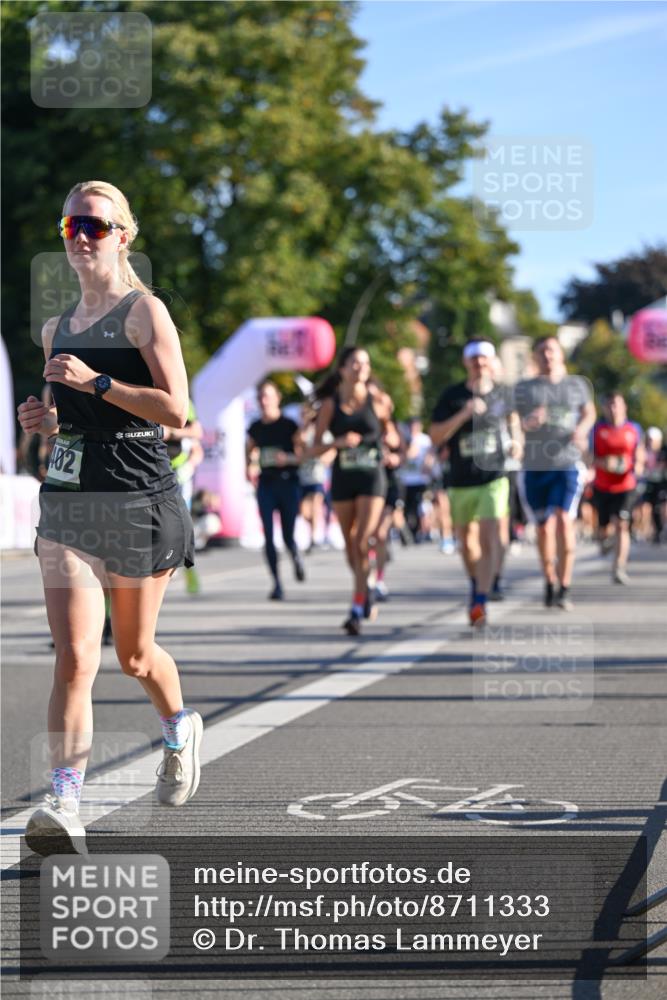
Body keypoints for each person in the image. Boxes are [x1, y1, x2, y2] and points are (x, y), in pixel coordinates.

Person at [17, 181, 203, 855]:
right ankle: (64, 800)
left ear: (123, 235)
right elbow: (67, 417)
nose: (80, 237)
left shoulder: (144, 312)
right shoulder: (55, 328)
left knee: (134, 656)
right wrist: (45, 419)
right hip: (71, 501)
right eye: (70, 225)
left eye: (93, 225)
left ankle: (179, 728)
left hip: (138, 496)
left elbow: (177, 411)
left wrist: (97, 382)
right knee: (74, 658)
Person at [430, 339, 520, 627]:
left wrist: (517, 443)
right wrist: (463, 414)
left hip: (494, 477)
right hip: (460, 479)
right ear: (466, 363)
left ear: (491, 362)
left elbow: (514, 424)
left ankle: (481, 599)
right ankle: (475, 583)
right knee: (467, 545)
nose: (480, 364)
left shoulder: (503, 394)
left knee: (488, 538)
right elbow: (435, 435)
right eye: (475, 359)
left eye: (484, 358)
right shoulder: (452, 396)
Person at [310, 347, 392, 635]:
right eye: (355, 363)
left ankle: (356, 608)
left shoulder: (378, 400)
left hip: (372, 478)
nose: (361, 367)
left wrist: (392, 446)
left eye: (365, 363)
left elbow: (391, 433)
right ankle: (366, 587)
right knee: (350, 546)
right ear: (343, 369)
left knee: (361, 539)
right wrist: (338, 442)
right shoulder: (330, 405)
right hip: (344, 478)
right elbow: (315, 447)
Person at [515, 335, 596, 610]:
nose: (547, 355)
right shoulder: (525, 388)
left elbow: (589, 413)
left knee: (563, 520)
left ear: (561, 353)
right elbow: (512, 421)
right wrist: (526, 424)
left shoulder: (576, 385)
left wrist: (581, 430)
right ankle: (549, 579)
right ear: (535, 357)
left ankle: (565, 586)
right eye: (541, 351)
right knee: (543, 528)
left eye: (551, 350)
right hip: (536, 464)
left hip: (567, 462)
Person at [246, 380, 305, 600]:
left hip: (288, 482)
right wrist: (250, 465)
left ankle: (295, 554)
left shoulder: (289, 425)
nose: (264, 401)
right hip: (267, 483)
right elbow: (249, 450)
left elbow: (302, 455)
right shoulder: (256, 427)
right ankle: (277, 583)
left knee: (288, 535)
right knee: (268, 536)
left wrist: (287, 458)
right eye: (261, 397)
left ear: (277, 399)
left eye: (268, 396)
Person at [591, 392, 644, 584]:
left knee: (622, 524)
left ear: (624, 407)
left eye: (617, 405)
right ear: (605, 408)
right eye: (610, 405)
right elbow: (587, 455)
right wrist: (603, 463)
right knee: (603, 531)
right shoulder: (596, 429)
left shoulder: (633, 428)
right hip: (602, 485)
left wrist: (637, 465)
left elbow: (639, 453)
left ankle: (619, 568)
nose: (613, 409)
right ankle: (605, 541)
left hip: (626, 484)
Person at [164, 398, 204, 594]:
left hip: (177, 470)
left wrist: (170, 433)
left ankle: (188, 568)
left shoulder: (181, 397)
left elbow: (196, 432)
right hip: (151, 469)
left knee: (180, 523)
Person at [399, 417, 434, 542]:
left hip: (421, 479)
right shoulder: (405, 437)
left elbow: (430, 454)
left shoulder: (425, 439)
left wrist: (428, 465)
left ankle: (424, 531)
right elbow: (406, 455)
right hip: (406, 480)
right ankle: (410, 532)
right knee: (408, 508)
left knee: (423, 506)